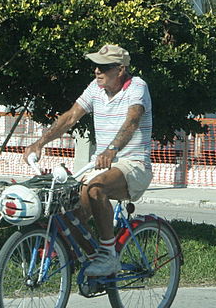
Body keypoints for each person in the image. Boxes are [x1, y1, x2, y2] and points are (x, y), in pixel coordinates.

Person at [23, 44, 153, 276]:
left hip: (133, 164)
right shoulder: (95, 89)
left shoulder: (137, 87)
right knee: (66, 207)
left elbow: (132, 120)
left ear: (120, 69)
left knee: (96, 188)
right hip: (101, 164)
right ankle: (88, 259)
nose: (97, 71)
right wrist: (40, 143)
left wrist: (112, 150)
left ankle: (108, 256)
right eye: (95, 66)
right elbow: (71, 116)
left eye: (103, 67)